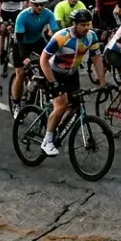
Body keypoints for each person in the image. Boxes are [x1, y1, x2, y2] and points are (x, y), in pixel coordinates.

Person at [38, 9, 107, 156]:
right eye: (83, 25)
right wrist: (53, 82)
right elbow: (43, 59)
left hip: (71, 73)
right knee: (61, 104)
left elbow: (96, 59)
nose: (86, 28)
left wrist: (102, 82)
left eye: (88, 24)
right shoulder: (62, 36)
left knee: (75, 103)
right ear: (74, 24)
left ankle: (56, 123)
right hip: (54, 72)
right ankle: (47, 141)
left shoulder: (91, 36)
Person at [10, 0, 58, 111]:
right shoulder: (23, 16)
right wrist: (24, 57)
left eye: (42, 4)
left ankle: (47, 93)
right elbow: (19, 39)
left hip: (37, 41)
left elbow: (56, 33)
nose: (40, 7)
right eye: (36, 5)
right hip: (21, 43)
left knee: (49, 66)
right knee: (20, 74)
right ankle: (16, 102)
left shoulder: (48, 13)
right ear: (31, 4)